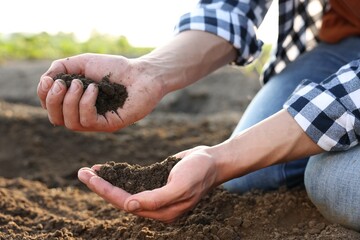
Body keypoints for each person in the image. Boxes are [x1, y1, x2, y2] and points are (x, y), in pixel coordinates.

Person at [37, 0, 360, 229]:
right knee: (253, 175)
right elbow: (231, 8)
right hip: (348, 41)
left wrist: (220, 160)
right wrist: (150, 73)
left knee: (332, 181)